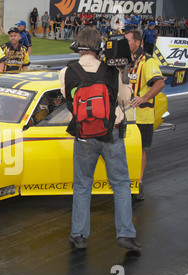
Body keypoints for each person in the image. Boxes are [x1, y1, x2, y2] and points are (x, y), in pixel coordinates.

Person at [59, 27, 141, 252]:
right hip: (111, 132)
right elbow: (125, 99)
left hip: (83, 134)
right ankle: (125, 234)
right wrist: (124, 72)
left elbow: (68, 98)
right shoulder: (111, 69)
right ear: (99, 46)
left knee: (83, 185)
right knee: (121, 185)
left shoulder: (67, 72)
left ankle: (79, 235)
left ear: (78, 45)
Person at [125, 30, 165, 201]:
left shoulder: (148, 61)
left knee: (139, 150)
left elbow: (160, 82)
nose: (125, 44)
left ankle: (138, 183)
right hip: (123, 115)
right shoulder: (123, 60)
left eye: (127, 41)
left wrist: (144, 98)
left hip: (142, 116)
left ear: (138, 42)